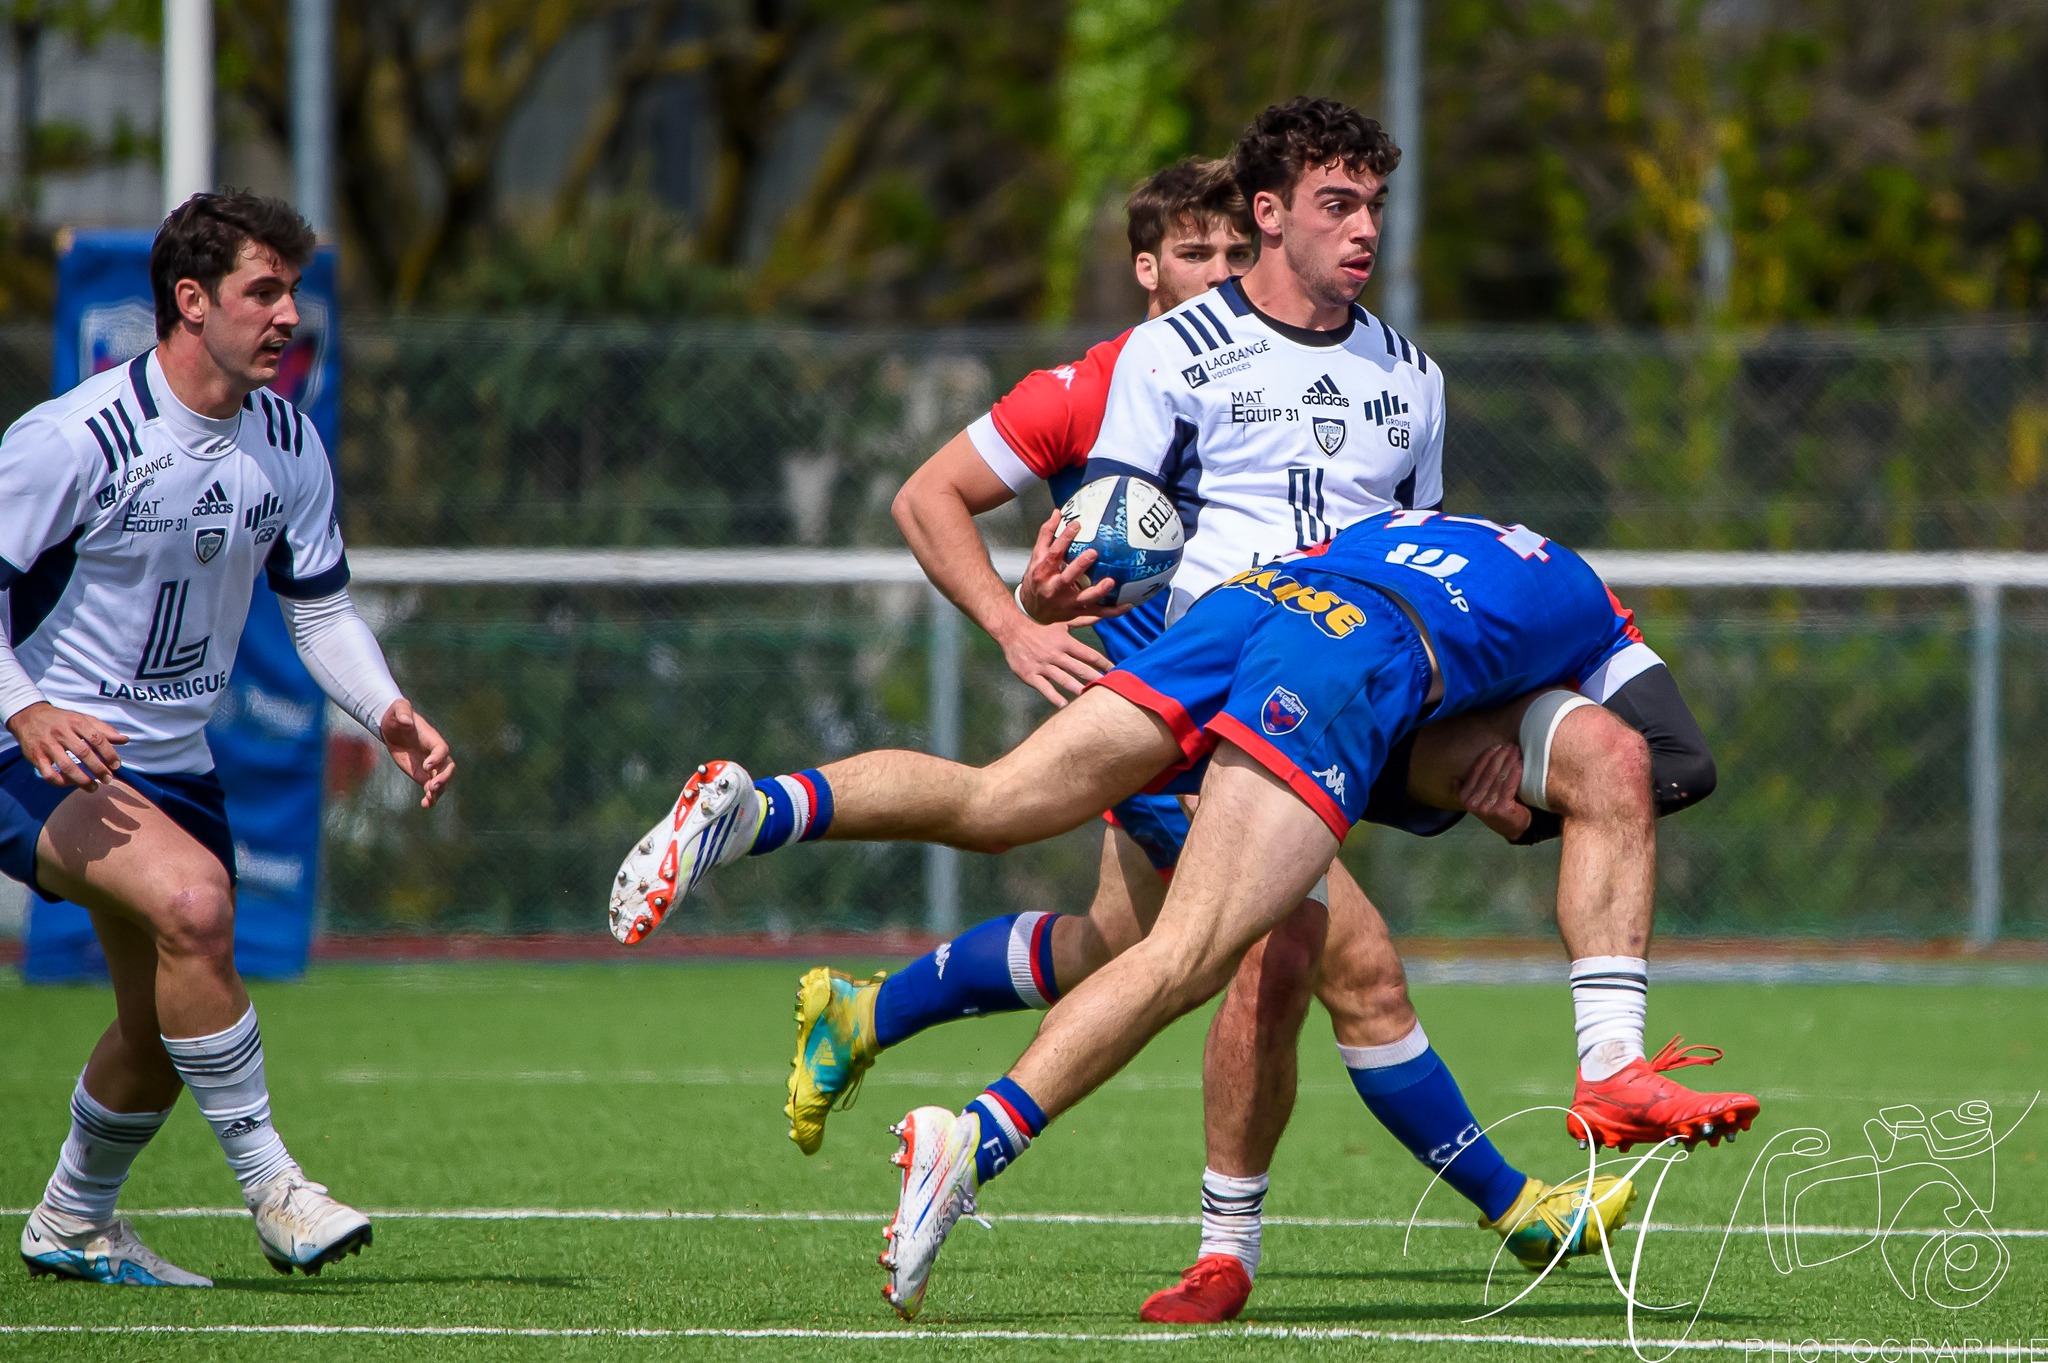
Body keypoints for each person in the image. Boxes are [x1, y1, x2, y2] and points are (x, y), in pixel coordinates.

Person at [773, 148, 1645, 1319]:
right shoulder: (1105, 382)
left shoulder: (1371, 375)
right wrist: (1021, 617)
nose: (1221, 269)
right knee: (1317, 959)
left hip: (1297, 691)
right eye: (1197, 252)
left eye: (1235, 250)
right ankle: (1477, 1208)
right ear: (1146, 268)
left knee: (1114, 948)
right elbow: (941, 500)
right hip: (1186, 710)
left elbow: (1415, 561)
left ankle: (870, 1014)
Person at [2, 192, 455, 1287]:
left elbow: (321, 612)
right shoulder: (72, 440)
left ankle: (71, 1221)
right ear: (191, 301)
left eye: (293, 291)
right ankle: (275, 1187)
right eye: (265, 290)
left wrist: (385, 707)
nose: (289, 313)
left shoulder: (287, 440)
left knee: (162, 1032)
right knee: (197, 906)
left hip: (172, 768)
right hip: (31, 750)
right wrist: (26, 708)